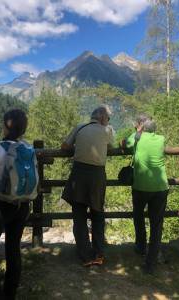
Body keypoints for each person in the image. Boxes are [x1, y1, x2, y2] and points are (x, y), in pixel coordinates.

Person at [0, 109, 30, 300]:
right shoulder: (27, 148)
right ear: (23, 130)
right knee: (13, 248)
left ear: (4, 126)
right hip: (22, 205)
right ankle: (10, 294)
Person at [61, 105, 115, 266]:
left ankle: (85, 255)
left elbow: (64, 146)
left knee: (79, 215)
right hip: (97, 175)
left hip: (79, 174)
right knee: (98, 214)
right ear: (103, 118)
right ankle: (99, 253)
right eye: (108, 118)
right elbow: (111, 147)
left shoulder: (79, 127)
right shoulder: (107, 131)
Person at [123, 115, 168, 274]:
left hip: (141, 186)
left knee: (138, 215)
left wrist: (137, 132)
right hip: (161, 187)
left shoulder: (136, 138)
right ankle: (151, 261)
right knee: (156, 224)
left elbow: (124, 144)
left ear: (140, 127)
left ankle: (140, 247)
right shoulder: (161, 139)